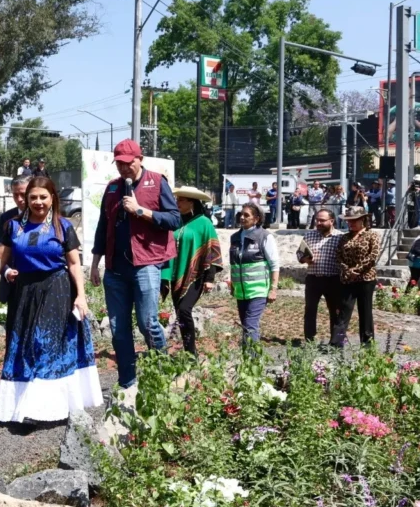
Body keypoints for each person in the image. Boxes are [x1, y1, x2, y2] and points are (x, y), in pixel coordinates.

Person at [0, 176, 100, 424]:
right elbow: (1, 257)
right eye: (33, 197)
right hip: (24, 292)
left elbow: (74, 264)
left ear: (52, 198)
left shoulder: (63, 226)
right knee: (22, 345)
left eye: (43, 197)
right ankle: (21, 404)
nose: (37, 202)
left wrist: (81, 296)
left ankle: (40, 410)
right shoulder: (13, 226)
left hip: (56, 289)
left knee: (42, 344)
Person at [89, 139, 181, 391]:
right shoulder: (111, 189)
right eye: (119, 163)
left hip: (146, 264)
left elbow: (175, 219)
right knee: (118, 328)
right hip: (115, 269)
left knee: (147, 322)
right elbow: (102, 227)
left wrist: (141, 211)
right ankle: (127, 383)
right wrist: (95, 263)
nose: (123, 168)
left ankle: (162, 376)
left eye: (128, 163)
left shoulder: (157, 182)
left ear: (140, 159)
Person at [160, 187, 222, 357]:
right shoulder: (175, 221)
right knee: (180, 313)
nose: (177, 203)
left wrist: (210, 278)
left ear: (191, 202)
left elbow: (213, 250)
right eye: (177, 199)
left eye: (181, 200)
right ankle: (188, 352)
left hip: (196, 275)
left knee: (185, 309)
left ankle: (192, 352)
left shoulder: (204, 223)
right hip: (175, 275)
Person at [229, 203, 279, 345]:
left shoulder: (265, 237)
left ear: (256, 219)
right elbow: (233, 264)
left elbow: (274, 264)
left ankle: (252, 361)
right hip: (241, 292)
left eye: (247, 215)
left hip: (258, 290)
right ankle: (247, 361)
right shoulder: (235, 237)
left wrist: (273, 289)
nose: (242, 217)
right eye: (241, 214)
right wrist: (233, 285)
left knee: (250, 325)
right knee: (246, 326)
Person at [333, 206, 379, 347]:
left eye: (354, 221)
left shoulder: (372, 236)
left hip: (366, 279)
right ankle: (336, 342)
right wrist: (347, 270)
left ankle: (367, 343)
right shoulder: (344, 237)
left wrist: (357, 270)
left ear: (362, 220)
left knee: (365, 311)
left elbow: (373, 256)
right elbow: (338, 256)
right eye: (348, 221)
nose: (350, 223)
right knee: (344, 311)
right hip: (347, 279)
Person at [298, 209, 342, 345]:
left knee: (335, 311)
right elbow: (299, 254)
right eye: (317, 220)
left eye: (322, 220)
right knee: (310, 310)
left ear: (332, 221)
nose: (318, 223)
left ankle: (335, 341)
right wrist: (305, 259)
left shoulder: (340, 237)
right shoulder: (309, 235)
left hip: (333, 279)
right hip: (313, 278)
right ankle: (309, 340)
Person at [0, 176, 31, 305]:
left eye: (23, 194)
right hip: (14, 284)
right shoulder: (7, 218)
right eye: (15, 195)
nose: (19, 199)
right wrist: (7, 270)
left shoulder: (48, 218)